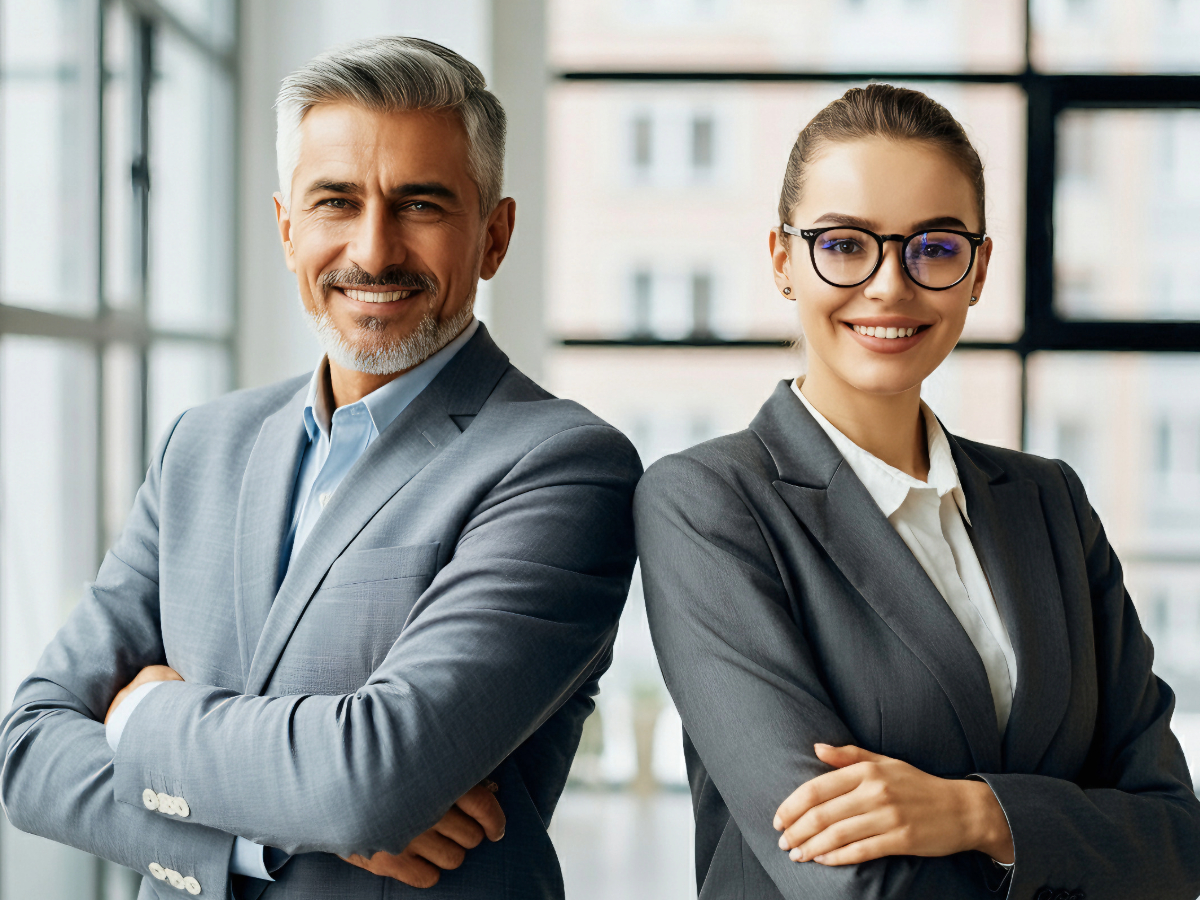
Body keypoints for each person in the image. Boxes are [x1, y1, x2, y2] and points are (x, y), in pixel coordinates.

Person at [0, 37, 640, 899]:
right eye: (337, 201)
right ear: (286, 226)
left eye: (420, 204)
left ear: (494, 236)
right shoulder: (201, 445)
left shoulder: (565, 467)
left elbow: (370, 779)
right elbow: (31, 749)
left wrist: (137, 713)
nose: (373, 252)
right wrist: (264, 833)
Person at [634, 84, 1200, 900]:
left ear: (978, 272)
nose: (891, 287)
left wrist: (979, 815)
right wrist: (1070, 837)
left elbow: (1177, 838)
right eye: (844, 244)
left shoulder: (1050, 503)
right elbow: (842, 880)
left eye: (933, 248)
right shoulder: (709, 504)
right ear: (782, 261)